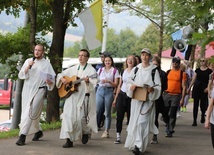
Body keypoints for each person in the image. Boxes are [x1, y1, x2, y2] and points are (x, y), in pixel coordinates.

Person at [56, 49, 98, 148]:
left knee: (80, 118)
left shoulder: (91, 70)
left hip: (83, 97)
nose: (81, 57)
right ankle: (69, 140)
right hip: (71, 96)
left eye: (83, 55)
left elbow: (93, 83)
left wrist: (88, 82)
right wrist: (63, 80)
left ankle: (85, 132)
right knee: (67, 117)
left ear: (87, 58)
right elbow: (60, 75)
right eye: (79, 55)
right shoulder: (73, 68)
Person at [16, 44, 56, 146]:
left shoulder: (46, 64)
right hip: (27, 90)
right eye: (35, 50)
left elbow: (52, 79)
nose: (37, 52)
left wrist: (49, 81)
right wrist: (28, 67)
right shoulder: (28, 61)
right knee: (30, 112)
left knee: (29, 111)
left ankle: (22, 136)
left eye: (39, 50)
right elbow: (21, 75)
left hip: (39, 90)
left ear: (43, 52)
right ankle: (38, 131)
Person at [124, 48, 162, 155]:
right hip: (136, 100)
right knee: (136, 122)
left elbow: (158, 86)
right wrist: (131, 87)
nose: (144, 57)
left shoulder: (154, 70)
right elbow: (128, 82)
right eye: (142, 55)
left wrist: (153, 89)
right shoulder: (136, 69)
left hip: (148, 100)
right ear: (140, 56)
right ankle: (137, 144)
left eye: (146, 55)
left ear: (149, 57)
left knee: (142, 122)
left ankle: (138, 146)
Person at [112, 55, 137, 144]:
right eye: (128, 60)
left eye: (132, 60)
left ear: (134, 62)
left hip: (131, 96)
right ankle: (118, 136)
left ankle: (130, 136)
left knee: (131, 117)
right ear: (126, 61)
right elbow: (120, 85)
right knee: (119, 116)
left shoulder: (136, 71)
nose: (130, 61)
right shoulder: (123, 71)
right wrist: (115, 98)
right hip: (122, 94)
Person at [96, 55, 120, 138]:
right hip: (100, 89)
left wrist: (109, 81)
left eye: (109, 60)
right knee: (97, 109)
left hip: (109, 91)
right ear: (104, 62)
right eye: (106, 61)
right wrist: (99, 81)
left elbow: (116, 84)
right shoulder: (100, 70)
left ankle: (106, 131)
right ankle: (93, 127)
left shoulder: (114, 71)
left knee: (107, 112)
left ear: (111, 61)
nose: (107, 62)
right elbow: (96, 79)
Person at [163, 56, 187, 137]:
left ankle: (170, 129)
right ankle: (167, 124)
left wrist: (182, 98)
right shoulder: (168, 72)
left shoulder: (182, 74)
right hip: (167, 94)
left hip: (176, 95)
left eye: (176, 62)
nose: (174, 64)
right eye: (173, 62)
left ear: (179, 63)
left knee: (172, 113)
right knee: (165, 112)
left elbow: (184, 86)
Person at [187, 58, 212, 126]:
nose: (202, 62)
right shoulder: (197, 70)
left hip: (204, 88)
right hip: (197, 87)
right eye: (200, 61)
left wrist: (208, 88)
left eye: (203, 61)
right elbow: (193, 79)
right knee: (195, 104)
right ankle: (194, 120)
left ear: (206, 62)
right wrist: (189, 88)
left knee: (203, 104)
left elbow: (211, 81)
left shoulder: (209, 71)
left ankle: (202, 114)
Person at [150, 55, 167, 144]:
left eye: (156, 64)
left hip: (158, 98)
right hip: (149, 97)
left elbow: (165, 87)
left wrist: (160, 83)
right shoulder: (149, 72)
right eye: (153, 64)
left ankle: (155, 135)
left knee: (155, 117)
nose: (154, 66)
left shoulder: (162, 73)